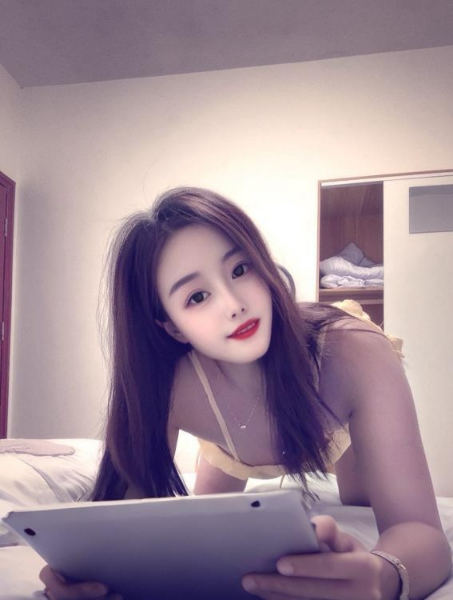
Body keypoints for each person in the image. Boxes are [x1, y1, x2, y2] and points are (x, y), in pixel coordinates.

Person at [40, 187, 451, 600]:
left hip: (329, 409)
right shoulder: (169, 386)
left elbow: (420, 532)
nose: (234, 304)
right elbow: (123, 518)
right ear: (172, 326)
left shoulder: (353, 353)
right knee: (216, 526)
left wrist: (382, 575)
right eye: (197, 296)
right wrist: (86, 571)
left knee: (358, 501)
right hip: (231, 435)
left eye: (240, 269)